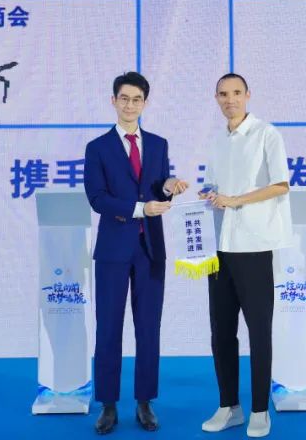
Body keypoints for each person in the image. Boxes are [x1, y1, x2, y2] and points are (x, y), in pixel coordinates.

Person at [84, 71, 189, 434]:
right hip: (113, 250)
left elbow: (157, 187)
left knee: (148, 327)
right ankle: (108, 405)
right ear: (113, 101)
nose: (130, 105)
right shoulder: (97, 148)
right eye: (124, 99)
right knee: (108, 327)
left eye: (137, 99)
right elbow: (97, 198)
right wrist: (141, 208)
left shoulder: (158, 144)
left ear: (145, 103)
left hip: (150, 249)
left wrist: (169, 186)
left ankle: (145, 401)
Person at [199, 73, 293, 438]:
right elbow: (214, 186)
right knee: (221, 330)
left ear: (248, 95)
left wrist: (236, 200)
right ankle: (229, 406)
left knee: (259, 330)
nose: (230, 99)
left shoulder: (267, 134)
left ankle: (259, 410)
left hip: (253, 245)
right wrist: (208, 195)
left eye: (237, 93)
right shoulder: (216, 141)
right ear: (216, 98)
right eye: (223, 94)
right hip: (220, 246)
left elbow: (280, 184)